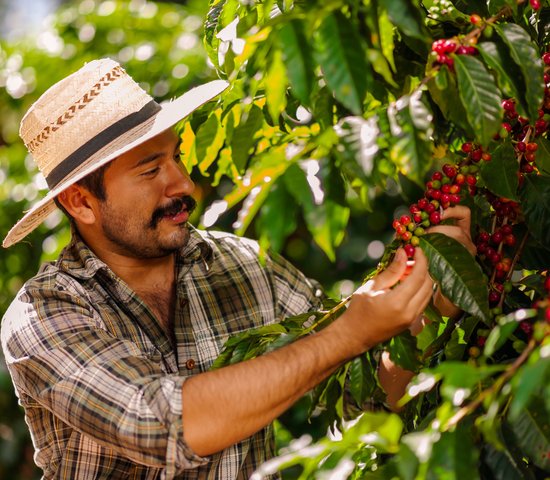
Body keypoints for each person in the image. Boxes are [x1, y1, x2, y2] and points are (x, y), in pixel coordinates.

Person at [1, 59, 475, 479]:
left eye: (177, 158)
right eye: (150, 170)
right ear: (81, 202)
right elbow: (165, 425)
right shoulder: (44, 315)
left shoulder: (243, 264)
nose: (183, 184)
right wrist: (351, 331)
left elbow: (359, 395)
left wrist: (430, 307)